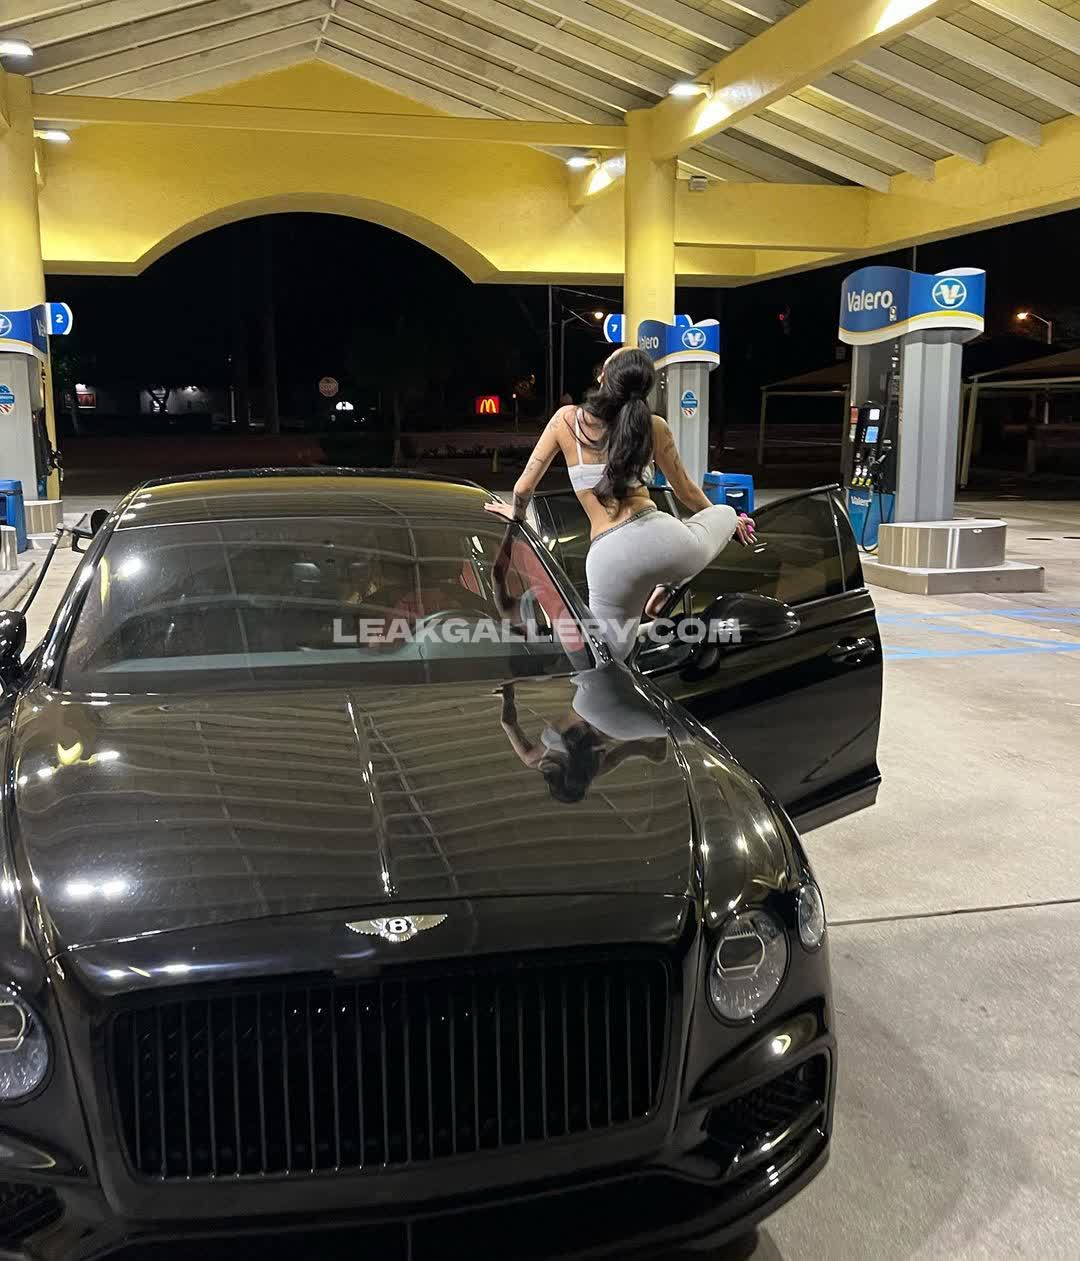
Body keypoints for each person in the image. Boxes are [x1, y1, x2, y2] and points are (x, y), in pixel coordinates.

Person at [484, 346, 755, 659]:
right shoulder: (653, 426)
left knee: (608, 656)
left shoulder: (566, 421)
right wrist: (732, 523)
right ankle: (668, 588)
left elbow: (522, 489)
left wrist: (517, 515)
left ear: (603, 377)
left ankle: (655, 599)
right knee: (725, 513)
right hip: (667, 542)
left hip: (610, 558)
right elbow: (687, 492)